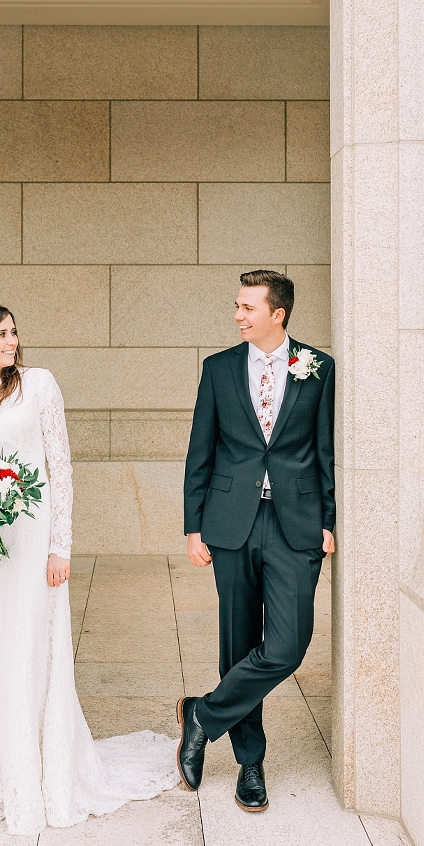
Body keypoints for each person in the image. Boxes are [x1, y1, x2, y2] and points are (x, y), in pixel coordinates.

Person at [0, 300, 178, 834]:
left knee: (30, 647)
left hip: (30, 542)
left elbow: (60, 467)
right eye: (0, 335)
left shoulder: (41, 386)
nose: (12, 344)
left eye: (14, 333)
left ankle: (41, 775)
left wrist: (60, 547)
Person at [176, 270, 335, 812]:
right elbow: (201, 449)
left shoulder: (315, 366)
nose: (238, 315)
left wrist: (328, 520)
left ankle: (203, 714)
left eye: (248, 307)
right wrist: (193, 526)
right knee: (238, 641)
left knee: (287, 646)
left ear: (278, 314)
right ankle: (251, 763)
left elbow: (324, 449)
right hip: (230, 521)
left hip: (296, 523)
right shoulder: (219, 369)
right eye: (237, 306)